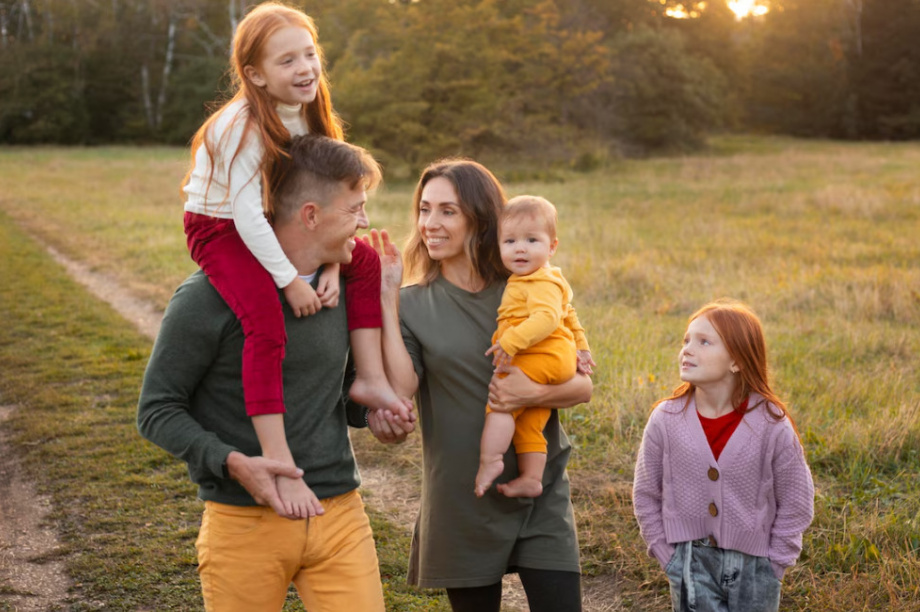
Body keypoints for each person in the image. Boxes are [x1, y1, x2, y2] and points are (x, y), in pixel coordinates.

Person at [138, 134, 413, 612]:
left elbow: (337, 393)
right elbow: (157, 410)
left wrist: (370, 419)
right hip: (244, 522)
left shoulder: (346, 285)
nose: (365, 223)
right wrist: (233, 463)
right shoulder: (206, 298)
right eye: (354, 209)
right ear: (311, 215)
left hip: (339, 512)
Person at [180, 2, 410, 518]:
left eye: (309, 54)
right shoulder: (237, 126)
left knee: (367, 263)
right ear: (255, 75)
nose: (305, 68)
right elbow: (242, 216)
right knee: (266, 326)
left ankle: (369, 377)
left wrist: (332, 264)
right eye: (287, 62)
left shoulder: (309, 106)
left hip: (269, 218)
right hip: (221, 228)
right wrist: (290, 282)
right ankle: (278, 457)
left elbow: (335, 187)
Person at [367, 160, 593, 612]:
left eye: (447, 211)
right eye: (424, 209)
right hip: (463, 495)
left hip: (538, 488)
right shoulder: (412, 303)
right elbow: (405, 383)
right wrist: (388, 302)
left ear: (480, 218)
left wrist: (532, 395)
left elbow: (581, 388)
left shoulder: (527, 286)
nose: (430, 224)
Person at [632, 299, 815, 612]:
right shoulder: (666, 418)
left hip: (756, 566)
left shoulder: (771, 423)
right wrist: (667, 556)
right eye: (686, 340)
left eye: (704, 342)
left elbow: (797, 499)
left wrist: (776, 563)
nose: (687, 349)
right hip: (689, 560)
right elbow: (646, 493)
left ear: (737, 361)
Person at [475, 195, 595, 498]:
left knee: (502, 399)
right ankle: (531, 478)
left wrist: (511, 342)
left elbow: (548, 317)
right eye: (510, 241)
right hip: (556, 358)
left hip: (542, 354)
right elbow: (569, 315)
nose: (520, 248)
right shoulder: (550, 279)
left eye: (531, 240)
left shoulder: (539, 282)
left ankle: (490, 460)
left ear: (552, 246)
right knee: (529, 422)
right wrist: (582, 348)